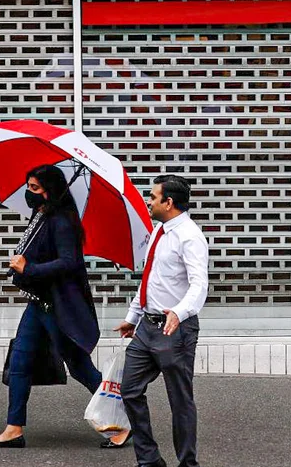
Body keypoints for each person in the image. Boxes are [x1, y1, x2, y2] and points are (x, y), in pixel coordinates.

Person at [0, 164, 124, 448]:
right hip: (38, 303)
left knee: (80, 367)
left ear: (51, 190)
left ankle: (120, 421)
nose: (29, 193)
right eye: (28, 186)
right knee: (19, 363)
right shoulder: (42, 214)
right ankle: (14, 429)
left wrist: (28, 268)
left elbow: (69, 263)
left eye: (34, 188)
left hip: (58, 307)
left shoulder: (62, 222)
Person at [113, 174, 209, 467]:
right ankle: (150, 460)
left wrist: (179, 313)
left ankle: (187, 463)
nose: (149, 201)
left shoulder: (190, 236)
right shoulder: (159, 231)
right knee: (129, 390)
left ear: (169, 202)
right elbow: (150, 279)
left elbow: (199, 285)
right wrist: (134, 315)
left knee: (179, 401)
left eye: (153, 197)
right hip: (146, 328)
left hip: (175, 329)